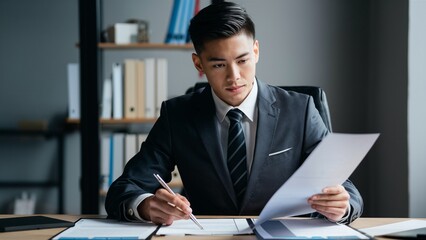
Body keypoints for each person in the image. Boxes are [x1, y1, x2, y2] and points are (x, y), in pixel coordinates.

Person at [105, 1, 363, 226]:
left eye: (242, 60)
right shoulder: (178, 115)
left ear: (256, 51)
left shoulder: (301, 110)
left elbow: (348, 190)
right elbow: (123, 190)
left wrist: (342, 206)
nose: (234, 77)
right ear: (199, 64)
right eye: (218, 65)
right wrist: (146, 205)